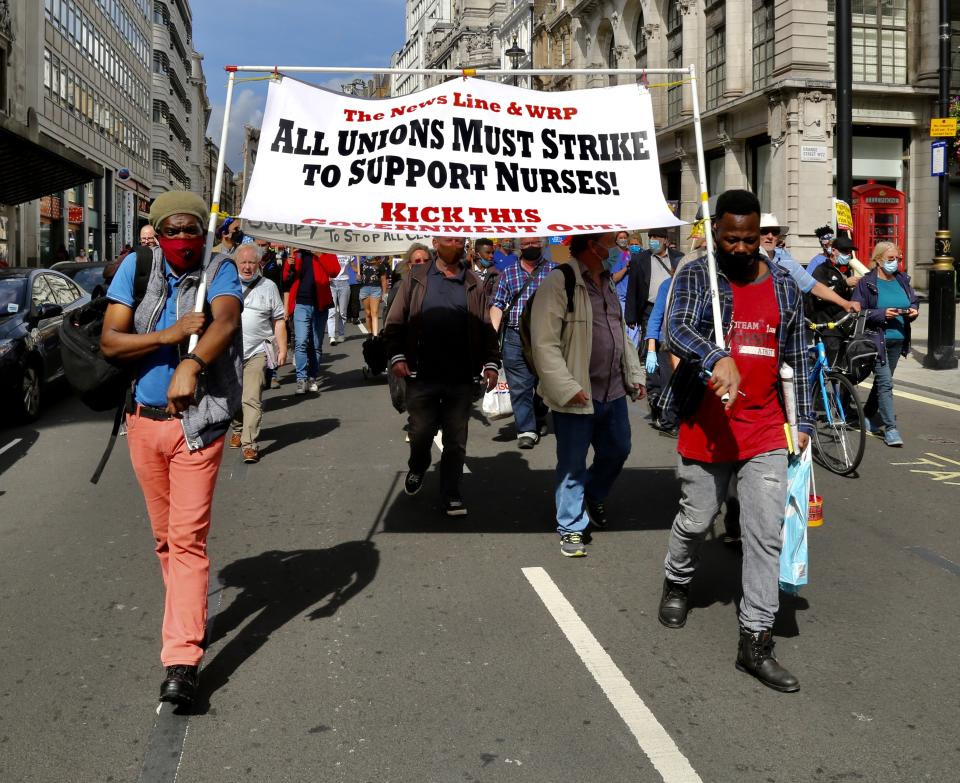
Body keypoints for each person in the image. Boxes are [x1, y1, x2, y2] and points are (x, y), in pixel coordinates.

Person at [657, 189, 812, 694]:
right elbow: (674, 328)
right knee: (696, 519)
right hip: (706, 427)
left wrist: (803, 421)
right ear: (716, 233)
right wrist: (714, 356)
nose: (742, 248)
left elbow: (801, 354)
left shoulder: (785, 286)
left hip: (765, 428)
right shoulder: (698, 276)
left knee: (765, 534)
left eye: (750, 239)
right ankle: (678, 579)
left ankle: (756, 641)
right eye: (731, 239)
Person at [100, 190, 243, 705]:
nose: (184, 238)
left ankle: (181, 658)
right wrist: (169, 337)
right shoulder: (137, 267)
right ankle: (187, 614)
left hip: (198, 426)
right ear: (158, 231)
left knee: (186, 540)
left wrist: (193, 361)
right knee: (165, 540)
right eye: (174, 229)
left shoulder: (219, 268)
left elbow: (224, 321)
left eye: (192, 229)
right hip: (143, 423)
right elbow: (112, 341)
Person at [530, 232, 645, 558]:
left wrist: (633, 374)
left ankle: (592, 494)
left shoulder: (607, 282)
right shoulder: (560, 281)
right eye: (609, 243)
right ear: (592, 246)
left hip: (612, 391)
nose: (615, 250)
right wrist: (567, 388)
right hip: (577, 393)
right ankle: (571, 526)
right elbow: (544, 343)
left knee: (618, 450)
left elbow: (618, 333)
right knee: (572, 462)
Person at [383, 236, 500, 517]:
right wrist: (397, 355)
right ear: (437, 242)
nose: (457, 244)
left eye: (461, 240)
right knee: (421, 432)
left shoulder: (473, 282)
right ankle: (418, 466)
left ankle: (451, 493)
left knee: (456, 440)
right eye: (450, 239)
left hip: (461, 377)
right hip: (421, 375)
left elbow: (485, 325)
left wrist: (492, 362)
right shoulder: (417, 278)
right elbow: (395, 320)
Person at [490, 237, 556, 448]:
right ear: (519, 247)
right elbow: (497, 304)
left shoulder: (556, 272)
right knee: (520, 386)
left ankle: (539, 414)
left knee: (544, 384)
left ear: (543, 244)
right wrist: (492, 335)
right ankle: (526, 429)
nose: (530, 247)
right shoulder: (507, 274)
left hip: (546, 338)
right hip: (515, 337)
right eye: (526, 243)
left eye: (535, 242)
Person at [853, 242, 919, 447]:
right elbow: (857, 310)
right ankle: (891, 429)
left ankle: (866, 415)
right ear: (879, 260)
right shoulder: (866, 283)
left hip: (898, 339)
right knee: (885, 383)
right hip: (876, 339)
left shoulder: (902, 280)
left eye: (898, 259)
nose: (895, 263)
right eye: (891, 259)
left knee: (884, 380)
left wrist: (914, 311)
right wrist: (882, 314)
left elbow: (913, 301)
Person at [229, 244, 287, 463]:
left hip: (257, 351)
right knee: (233, 397)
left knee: (251, 398)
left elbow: (279, 320)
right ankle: (238, 428)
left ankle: (249, 443)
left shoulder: (268, 286)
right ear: (236, 263)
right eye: (243, 262)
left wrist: (281, 348)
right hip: (230, 352)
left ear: (258, 264)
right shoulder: (227, 284)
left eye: (251, 262)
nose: (247, 267)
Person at [757, 214, 860, 318]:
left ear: (778, 237)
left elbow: (813, 285)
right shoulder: (747, 261)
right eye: (764, 231)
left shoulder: (787, 261)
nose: (770, 236)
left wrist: (845, 303)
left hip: (782, 321)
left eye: (774, 232)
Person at [284, 248, 340, 395]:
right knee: (301, 341)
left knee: (316, 344)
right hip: (301, 304)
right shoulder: (297, 252)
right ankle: (301, 379)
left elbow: (334, 271)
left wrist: (319, 254)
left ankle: (312, 378)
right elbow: (286, 277)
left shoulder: (326, 250)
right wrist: (288, 264)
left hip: (320, 305)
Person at [806, 236, 862, 362]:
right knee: (829, 361)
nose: (847, 255)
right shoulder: (822, 270)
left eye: (849, 252)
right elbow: (820, 295)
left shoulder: (849, 270)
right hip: (828, 325)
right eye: (844, 252)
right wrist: (844, 284)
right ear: (834, 251)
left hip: (845, 324)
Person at [355, 256, 390, 336]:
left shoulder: (380, 265)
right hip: (364, 289)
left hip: (376, 289)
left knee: (374, 313)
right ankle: (370, 332)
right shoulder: (362, 265)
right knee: (368, 313)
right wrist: (358, 277)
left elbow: (383, 280)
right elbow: (359, 278)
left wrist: (384, 293)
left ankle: (375, 335)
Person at [327, 254, 353, 346]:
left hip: (344, 283)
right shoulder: (330, 252)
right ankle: (332, 336)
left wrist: (358, 273)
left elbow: (354, 266)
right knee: (331, 311)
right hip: (332, 283)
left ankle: (341, 334)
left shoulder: (347, 253)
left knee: (342, 312)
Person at [473, 238, 501, 307]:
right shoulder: (466, 271)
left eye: (492, 253)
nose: (491, 256)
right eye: (488, 252)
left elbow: (495, 296)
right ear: (477, 253)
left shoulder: (496, 274)